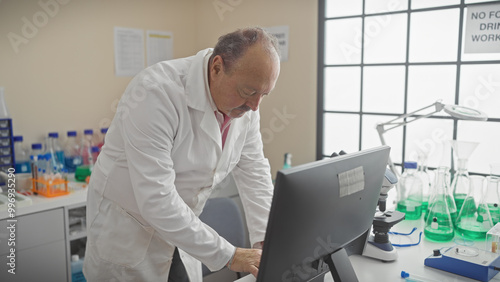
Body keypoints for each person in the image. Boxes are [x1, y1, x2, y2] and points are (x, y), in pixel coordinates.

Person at [83, 27, 280, 281]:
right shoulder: (155, 92)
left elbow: (254, 170)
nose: (255, 106)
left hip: (183, 231)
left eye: (264, 94)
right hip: (130, 234)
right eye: (249, 92)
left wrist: (265, 243)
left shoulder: (247, 105)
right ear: (217, 68)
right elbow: (157, 198)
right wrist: (230, 255)